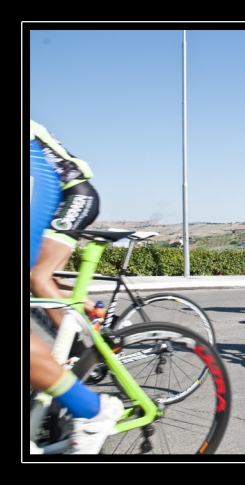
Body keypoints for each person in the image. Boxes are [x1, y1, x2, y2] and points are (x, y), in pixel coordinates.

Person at [29, 130, 123, 454]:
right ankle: (85, 313)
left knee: (37, 276)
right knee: (40, 279)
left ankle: (81, 348)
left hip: (73, 191)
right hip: (56, 191)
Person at [29, 119, 100, 330]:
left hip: (75, 195)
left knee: (37, 278)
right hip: (64, 200)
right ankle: (95, 312)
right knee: (47, 281)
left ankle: (73, 347)